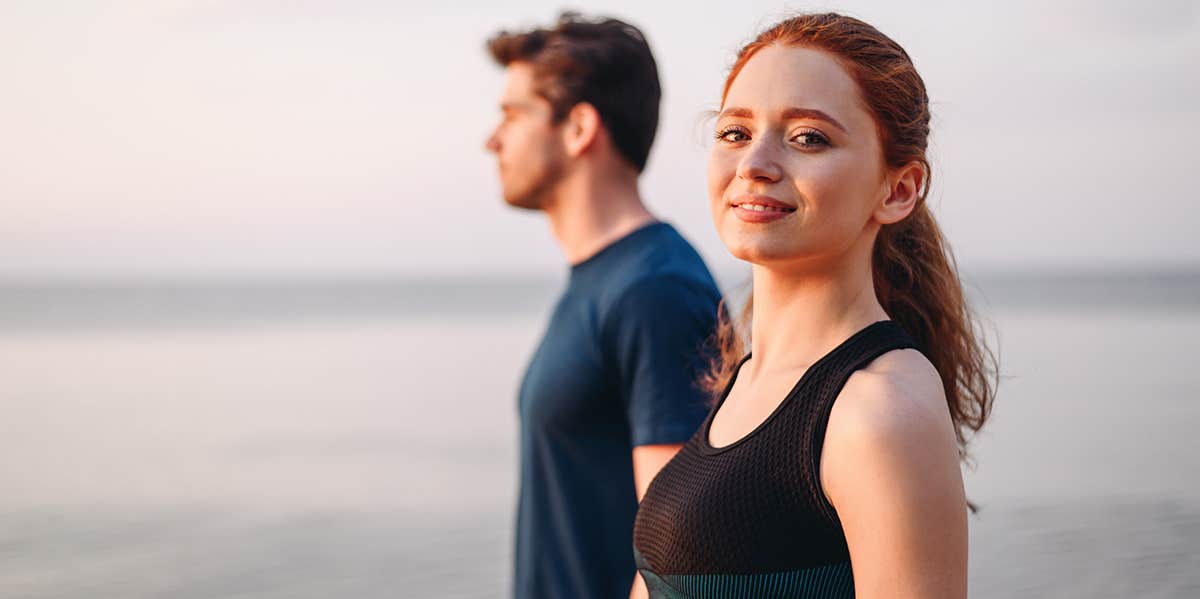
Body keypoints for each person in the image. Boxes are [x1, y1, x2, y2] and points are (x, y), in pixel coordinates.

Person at [632, 12, 997, 599]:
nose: (755, 164)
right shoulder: (750, 377)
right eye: (735, 133)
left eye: (808, 138)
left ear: (898, 190)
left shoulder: (880, 407)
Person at [483, 13, 723, 599]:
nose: (493, 139)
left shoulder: (656, 290)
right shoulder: (606, 279)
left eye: (513, 114)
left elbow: (682, 559)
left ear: (579, 128)